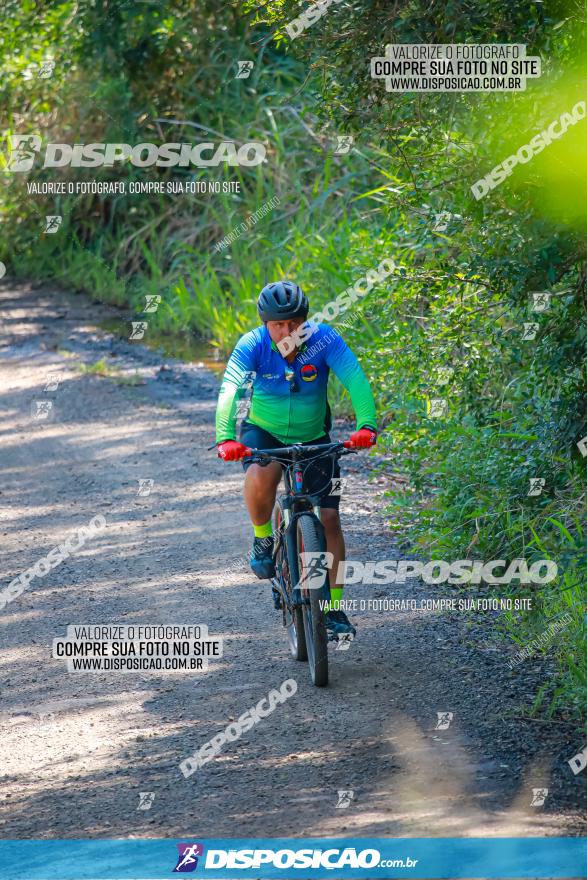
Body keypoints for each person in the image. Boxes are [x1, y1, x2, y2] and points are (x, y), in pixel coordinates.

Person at [215, 280, 377, 636]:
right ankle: (262, 537)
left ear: (305, 320)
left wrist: (366, 425)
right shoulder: (252, 345)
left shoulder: (325, 340)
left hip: (314, 436)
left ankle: (333, 609)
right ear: (265, 323)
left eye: (294, 324)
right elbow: (230, 389)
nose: (286, 332)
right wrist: (225, 436)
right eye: (278, 325)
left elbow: (355, 379)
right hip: (265, 432)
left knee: (330, 519)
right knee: (261, 474)